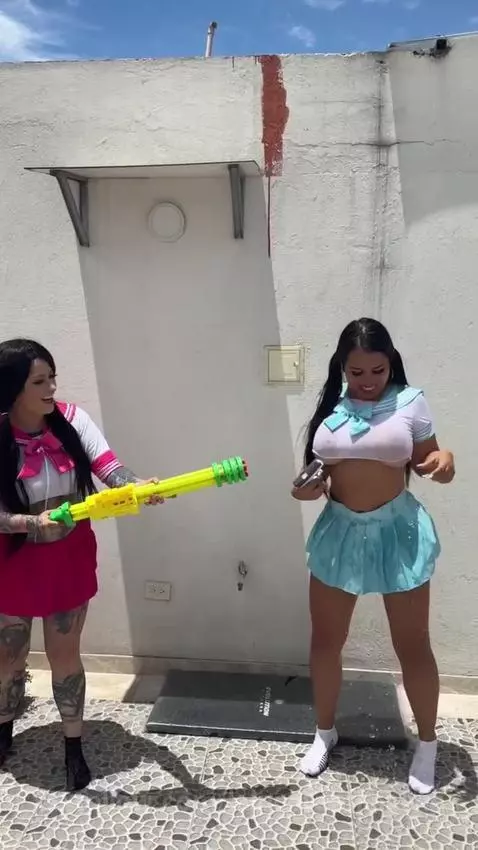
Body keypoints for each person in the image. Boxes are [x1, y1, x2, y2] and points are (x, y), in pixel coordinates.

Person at [292, 318, 454, 795]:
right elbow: (317, 473)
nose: (367, 381)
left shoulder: (410, 401)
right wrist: (304, 489)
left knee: (413, 644)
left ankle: (428, 743)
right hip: (339, 533)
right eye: (357, 372)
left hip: (397, 533)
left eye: (377, 371)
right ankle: (324, 732)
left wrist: (445, 463)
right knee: (326, 640)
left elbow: (433, 463)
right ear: (342, 367)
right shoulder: (333, 405)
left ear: (391, 364)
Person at [0, 338, 163, 791]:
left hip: (68, 558)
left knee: (65, 654)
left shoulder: (73, 420)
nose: (52, 388)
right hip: (11, 560)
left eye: (53, 378)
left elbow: (111, 469)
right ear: (13, 388)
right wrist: (31, 523)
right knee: (8, 656)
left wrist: (137, 486)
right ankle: (3, 728)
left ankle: (73, 744)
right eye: (39, 381)